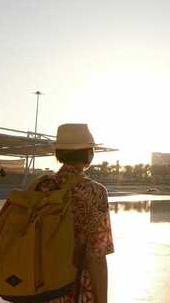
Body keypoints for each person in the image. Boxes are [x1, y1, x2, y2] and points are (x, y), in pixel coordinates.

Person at [36, 124, 114, 303]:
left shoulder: (41, 187)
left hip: (40, 286)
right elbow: (96, 257)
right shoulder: (94, 192)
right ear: (88, 153)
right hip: (76, 288)